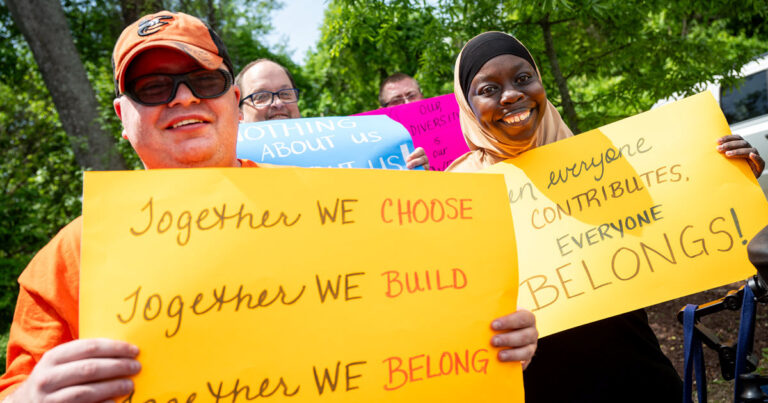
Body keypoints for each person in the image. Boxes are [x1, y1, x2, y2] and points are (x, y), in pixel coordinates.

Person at [0, 16, 534, 402]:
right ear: (123, 115)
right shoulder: (66, 260)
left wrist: (489, 342)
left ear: (232, 100)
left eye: (203, 81)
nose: (183, 98)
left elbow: (409, 321)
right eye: (153, 87)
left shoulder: (324, 210)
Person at [447, 31, 765, 402]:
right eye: (488, 89)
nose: (512, 94)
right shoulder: (459, 191)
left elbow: (667, 226)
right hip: (535, 382)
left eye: (523, 79)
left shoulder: (598, 160)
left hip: (634, 368)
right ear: (467, 105)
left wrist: (730, 177)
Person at [236, 60, 429, 169]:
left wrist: (416, 174)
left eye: (286, 94)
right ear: (239, 114)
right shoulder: (226, 170)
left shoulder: (344, 145)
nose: (277, 103)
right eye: (260, 97)